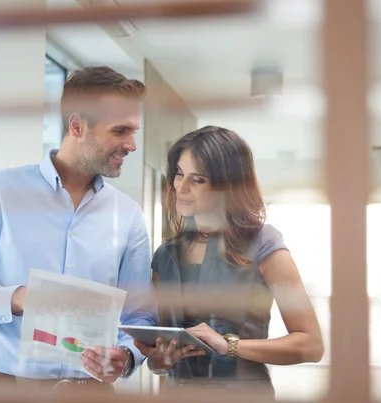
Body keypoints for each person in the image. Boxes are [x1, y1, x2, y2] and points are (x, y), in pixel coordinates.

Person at [0, 66, 158, 395]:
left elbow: (140, 317)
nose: (131, 145)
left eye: (134, 131)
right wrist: (19, 297)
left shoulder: (127, 214)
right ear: (77, 125)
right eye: (120, 131)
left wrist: (127, 355)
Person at [133, 126, 324, 399]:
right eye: (179, 174)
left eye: (197, 179)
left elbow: (312, 345)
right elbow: (160, 360)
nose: (181, 188)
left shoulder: (263, 244)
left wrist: (229, 346)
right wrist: (160, 361)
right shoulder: (165, 255)